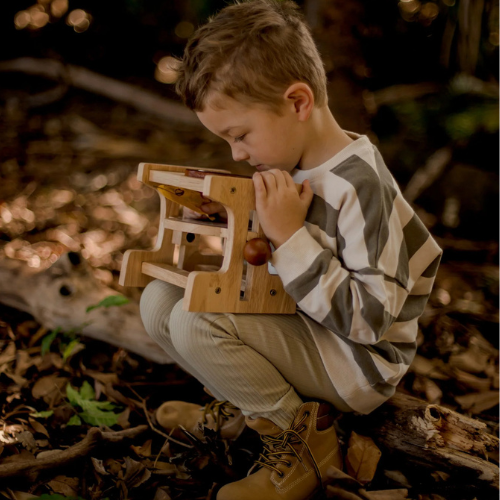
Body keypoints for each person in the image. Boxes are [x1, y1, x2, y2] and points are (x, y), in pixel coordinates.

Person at [139, 1, 442, 498]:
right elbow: (280, 245)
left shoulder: (358, 184)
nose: (237, 153)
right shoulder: (293, 163)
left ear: (299, 102)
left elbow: (370, 320)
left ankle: (305, 450)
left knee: (198, 321)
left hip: (355, 359)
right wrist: (232, 218)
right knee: (160, 301)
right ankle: (247, 412)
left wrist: (288, 236)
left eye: (240, 135)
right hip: (308, 328)